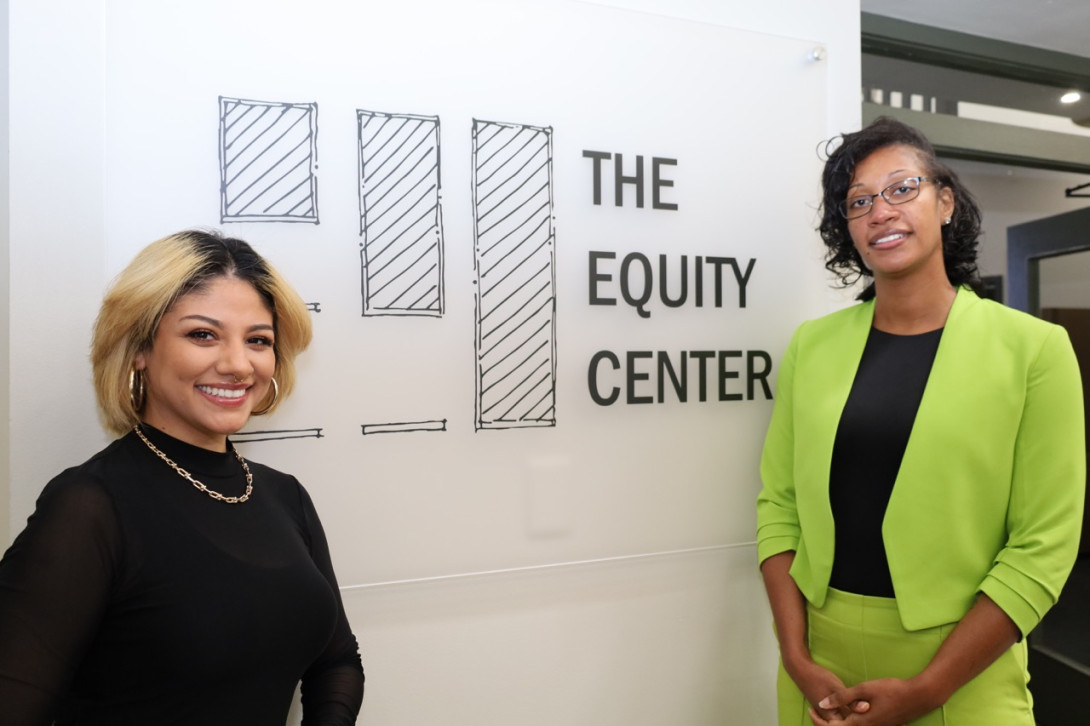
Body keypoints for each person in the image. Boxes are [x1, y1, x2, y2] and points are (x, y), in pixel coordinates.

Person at [756, 117, 1085, 725]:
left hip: (962, 671)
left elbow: (1043, 548)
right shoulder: (813, 347)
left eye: (902, 188)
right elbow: (778, 509)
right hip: (819, 672)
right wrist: (796, 655)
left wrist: (930, 688)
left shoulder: (1034, 350)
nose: (881, 211)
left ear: (945, 203)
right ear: (847, 228)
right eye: (859, 201)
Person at [0, 230, 364, 724]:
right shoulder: (90, 506)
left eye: (258, 340)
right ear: (139, 349)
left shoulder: (284, 495)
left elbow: (337, 662)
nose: (238, 365)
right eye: (203, 334)